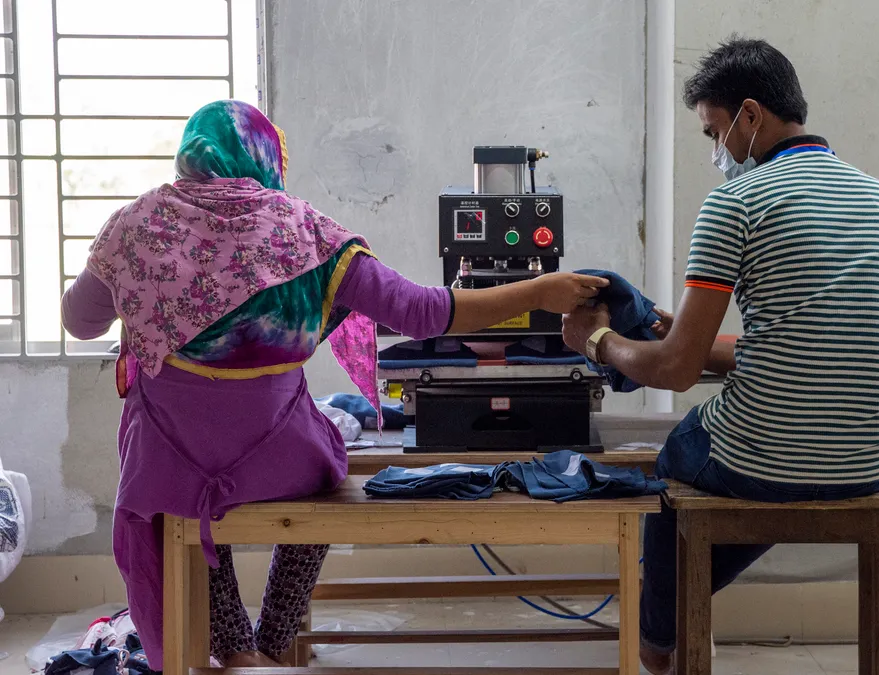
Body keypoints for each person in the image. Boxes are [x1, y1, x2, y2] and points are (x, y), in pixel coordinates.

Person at [61, 99, 608, 671]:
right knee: (328, 466)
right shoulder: (304, 230)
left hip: (169, 463)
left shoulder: (134, 226)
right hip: (277, 458)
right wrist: (539, 291)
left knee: (193, 495)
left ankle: (236, 645)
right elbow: (420, 312)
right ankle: (274, 636)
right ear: (265, 156)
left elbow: (81, 323)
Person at [561, 37, 879, 673]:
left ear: (750, 116)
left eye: (713, 132)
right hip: (868, 457)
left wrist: (598, 343)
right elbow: (794, 345)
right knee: (776, 439)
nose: (715, 151)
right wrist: (675, 328)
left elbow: (675, 371)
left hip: (769, 455)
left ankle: (658, 640)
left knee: (669, 463)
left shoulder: (737, 202)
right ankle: (678, 610)